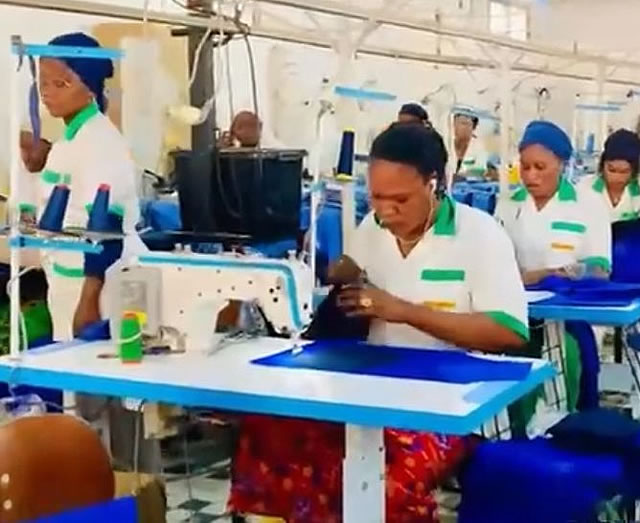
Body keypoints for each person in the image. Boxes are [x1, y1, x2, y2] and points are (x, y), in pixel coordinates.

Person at [228, 123, 529, 523]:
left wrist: (402, 310)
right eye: (376, 198)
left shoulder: (481, 235)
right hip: (371, 389)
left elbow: (509, 332)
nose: (386, 211)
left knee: (384, 480)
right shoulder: (373, 226)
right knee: (268, 430)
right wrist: (319, 270)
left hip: (447, 404)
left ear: (434, 184)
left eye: (400, 200)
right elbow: (352, 266)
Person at [19, 32, 143, 340]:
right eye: (43, 83)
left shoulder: (99, 141)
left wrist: (89, 300)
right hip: (68, 278)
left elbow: (106, 225)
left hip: (94, 287)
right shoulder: (73, 138)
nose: (47, 92)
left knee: (93, 362)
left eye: (60, 84)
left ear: (89, 89)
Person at [495, 120, 611, 412]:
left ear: (561, 164)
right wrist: (546, 275)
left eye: (540, 167)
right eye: (525, 167)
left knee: (569, 368)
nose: (530, 176)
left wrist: (579, 272)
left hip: (570, 317)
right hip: (519, 315)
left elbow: (601, 268)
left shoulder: (588, 204)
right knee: (514, 392)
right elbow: (496, 270)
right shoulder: (508, 205)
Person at [576, 129, 640, 222]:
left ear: (634, 171)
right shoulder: (584, 187)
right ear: (602, 165)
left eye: (624, 172)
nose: (616, 177)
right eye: (612, 170)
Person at [452, 112, 495, 181]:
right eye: (456, 123)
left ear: (473, 127)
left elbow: (480, 171)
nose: (459, 127)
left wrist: (461, 176)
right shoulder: (446, 144)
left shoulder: (479, 147)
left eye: (464, 124)